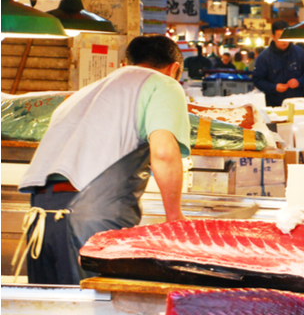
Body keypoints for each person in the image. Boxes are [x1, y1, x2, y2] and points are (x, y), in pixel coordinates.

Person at [18, 35, 190, 285]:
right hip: (91, 216)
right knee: (96, 306)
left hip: (41, 216)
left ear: (125, 63)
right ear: (174, 68)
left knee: (53, 306)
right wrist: (174, 217)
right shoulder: (163, 83)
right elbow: (163, 152)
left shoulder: (83, 93)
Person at [252, 21, 304, 107]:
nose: (284, 41)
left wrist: (299, 81)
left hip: (298, 104)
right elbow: (257, 80)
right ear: (273, 37)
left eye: (286, 36)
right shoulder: (264, 57)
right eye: (279, 37)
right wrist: (274, 87)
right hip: (273, 106)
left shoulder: (299, 52)